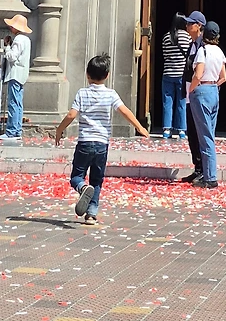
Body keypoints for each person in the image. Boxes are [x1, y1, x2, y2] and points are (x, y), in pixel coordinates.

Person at [55, 53, 149, 223]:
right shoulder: (111, 94)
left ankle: (82, 187)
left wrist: (59, 130)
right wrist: (139, 127)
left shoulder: (82, 93)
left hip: (85, 142)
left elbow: (71, 115)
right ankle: (91, 213)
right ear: (107, 75)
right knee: (97, 180)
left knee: (76, 177)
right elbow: (124, 111)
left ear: (87, 74)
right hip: (102, 144)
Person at [186, 20, 226, 188]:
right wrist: (213, 86)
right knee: (209, 133)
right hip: (213, 91)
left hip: (202, 90)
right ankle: (209, 174)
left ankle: (210, 177)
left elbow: (198, 74)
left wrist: (192, 89)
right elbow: (223, 77)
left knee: (204, 136)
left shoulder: (203, 51)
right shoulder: (219, 51)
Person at [179, 10, 207, 184]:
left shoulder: (203, 45)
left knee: (199, 132)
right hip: (190, 91)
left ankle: (204, 169)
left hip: (197, 91)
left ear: (199, 26)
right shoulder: (192, 44)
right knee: (191, 131)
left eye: (191, 23)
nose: (187, 26)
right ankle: (197, 167)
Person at [0, 13, 31, 144]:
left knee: (13, 103)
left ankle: (11, 131)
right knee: (18, 103)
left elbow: (12, 57)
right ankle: (16, 130)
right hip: (22, 74)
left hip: (15, 74)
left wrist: (7, 47)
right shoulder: (26, 40)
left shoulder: (18, 39)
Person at [159, 13, 190, 141]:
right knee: (181, 102)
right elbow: (189, 55)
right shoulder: (187, 37)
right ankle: (182, 130)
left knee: (167, 102)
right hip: (181, 74)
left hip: (168, 73)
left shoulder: (166, 37)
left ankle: (167, 129)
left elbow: (165, 55)